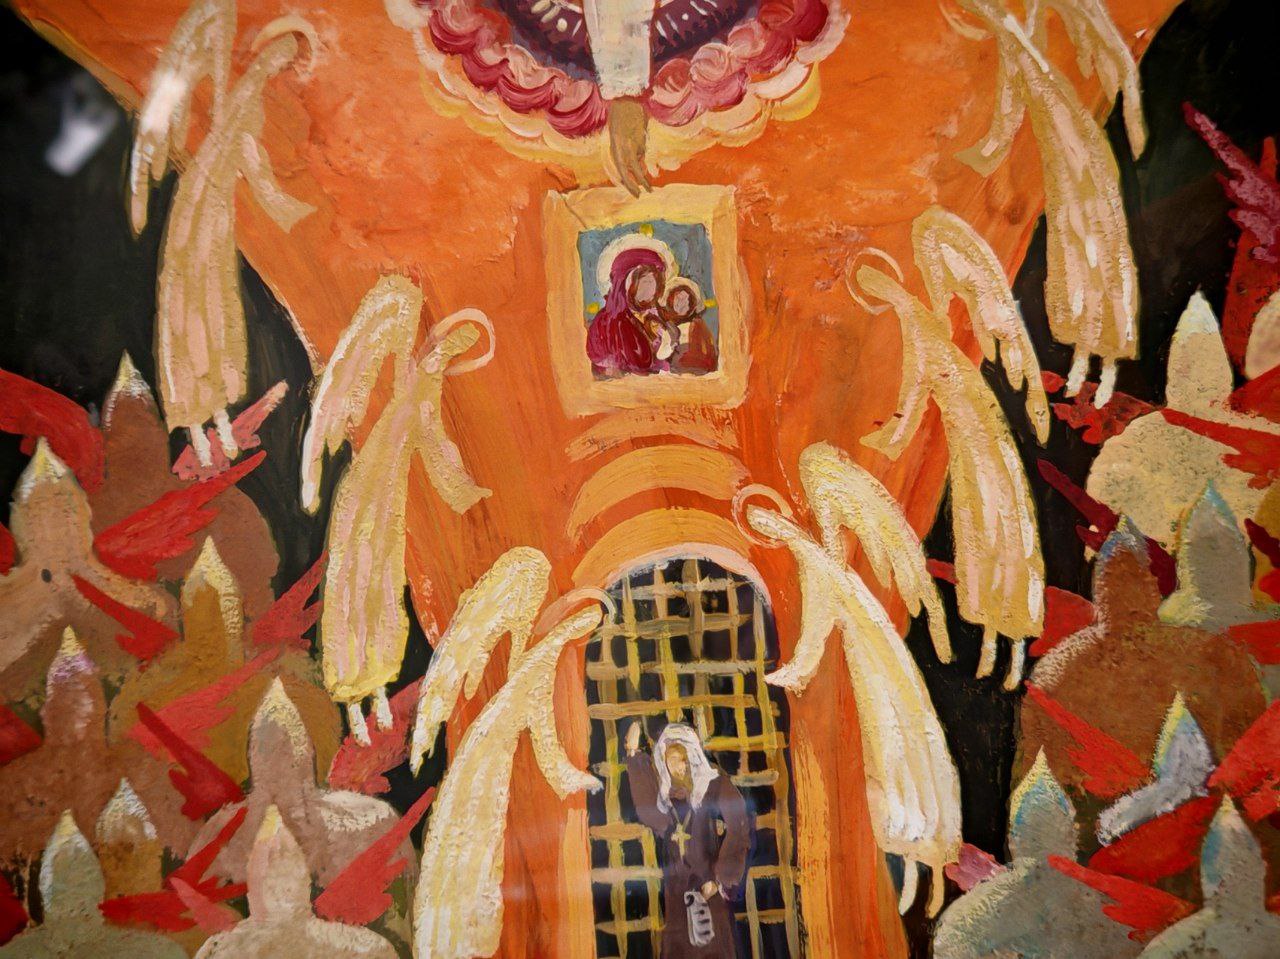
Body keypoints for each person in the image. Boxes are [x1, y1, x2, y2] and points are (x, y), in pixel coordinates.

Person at [625, 721, 751, 958]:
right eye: (671, 759)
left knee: (714, 947)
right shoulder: (667, 798)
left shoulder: (713, 786)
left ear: (693, 757)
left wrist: (720, 879)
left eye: (683, 759)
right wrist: (633, 755)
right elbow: (651, 814)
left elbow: (739, 826)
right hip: (677, 891)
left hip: (708, 886)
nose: (678, 767)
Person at [587, 247, 667, 377]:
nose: (650, 288)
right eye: (644, 281)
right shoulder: (607, 322)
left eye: (653, 282)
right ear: (624, 282)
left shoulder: (655, 316)